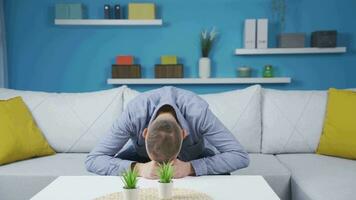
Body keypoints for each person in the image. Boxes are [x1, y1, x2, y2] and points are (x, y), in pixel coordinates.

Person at [85, 86, 249, 179]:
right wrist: (138, 169)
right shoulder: (134, 113)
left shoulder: (198, 112)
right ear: (145, 133)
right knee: (114, 173)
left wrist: (191, 168)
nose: (165, 168)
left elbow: (240, 156)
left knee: (223, 174)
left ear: (184, 134)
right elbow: (93, 160)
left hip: (192, 158)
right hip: (142, 160)